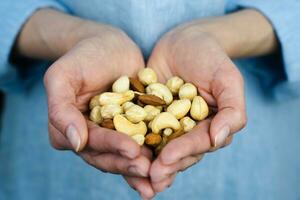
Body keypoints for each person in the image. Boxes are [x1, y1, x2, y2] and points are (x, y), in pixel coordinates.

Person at [0, 0, 299, 199]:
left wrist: (217, 36)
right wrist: (74, 36)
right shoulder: (121, 104)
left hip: (256, 156)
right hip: (49, 153)